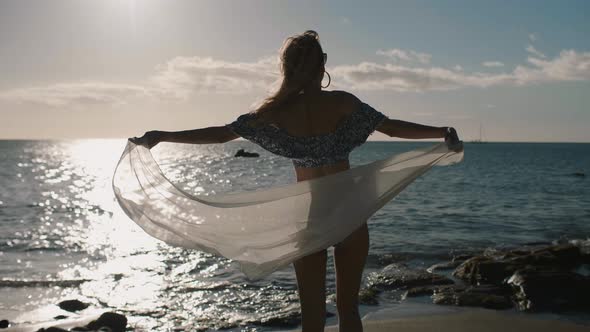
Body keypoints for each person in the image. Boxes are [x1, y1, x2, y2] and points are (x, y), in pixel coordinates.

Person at [133, 30, 460, 332]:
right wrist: (440, 132)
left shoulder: (274, 113)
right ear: (323, 66)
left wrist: (163, 135)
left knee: (313, 320)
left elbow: (220, 135)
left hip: (312, 222)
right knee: (348, 310)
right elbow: (391, 127)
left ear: (286, 69)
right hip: (350, 218)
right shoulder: (342, 102)